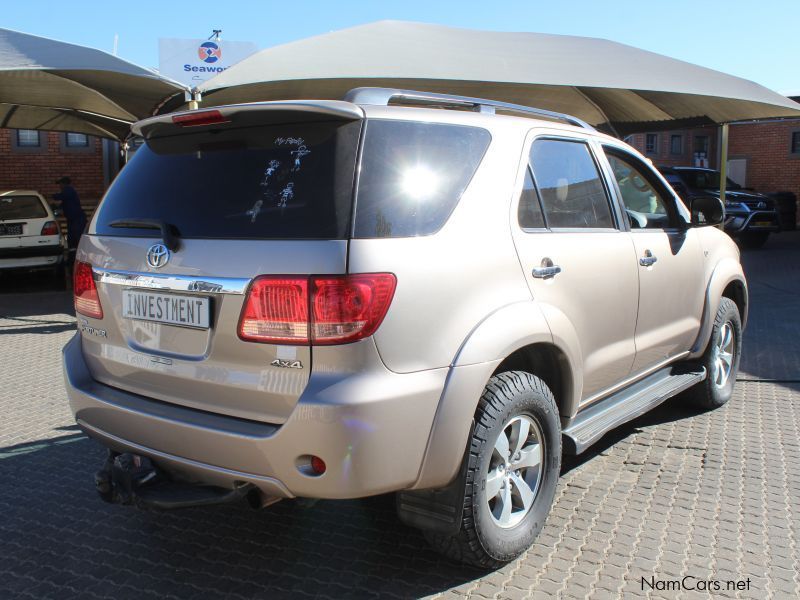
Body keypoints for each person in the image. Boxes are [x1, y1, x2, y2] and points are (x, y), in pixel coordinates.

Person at [52, 176, 87, 256]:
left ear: (64, 184)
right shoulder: (68, 193)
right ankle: (72, 256)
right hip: (72, 220)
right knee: (72, 239)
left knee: (77, 237)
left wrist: (49, 196)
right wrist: (57, 208)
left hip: (77, 220)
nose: (59, 186)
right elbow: (63, 204)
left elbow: (58, 197)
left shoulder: (68, 190)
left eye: (60, 184)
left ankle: (81, 256)